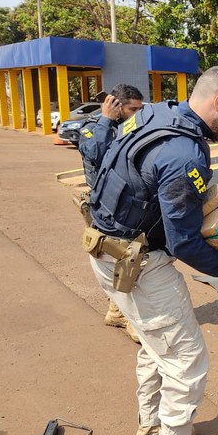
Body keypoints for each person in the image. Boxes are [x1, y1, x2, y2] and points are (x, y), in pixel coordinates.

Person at [84, 65, 218, 435]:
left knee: (156, 346)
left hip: (104, 251)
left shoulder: (153, 114)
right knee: (187, 358)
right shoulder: (184, 154)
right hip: (141, 264)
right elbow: (184, 242)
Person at [78, 84, 145, 342]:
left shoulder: (131, 126)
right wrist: (106, 119)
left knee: (126, 261)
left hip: (128, 206)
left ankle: (116, 311)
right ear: (115, 105)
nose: (136, 114)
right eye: (132, 109)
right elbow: (95, 154)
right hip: (105, 208)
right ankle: (128, 318)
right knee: (120, 261)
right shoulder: (93, 126)